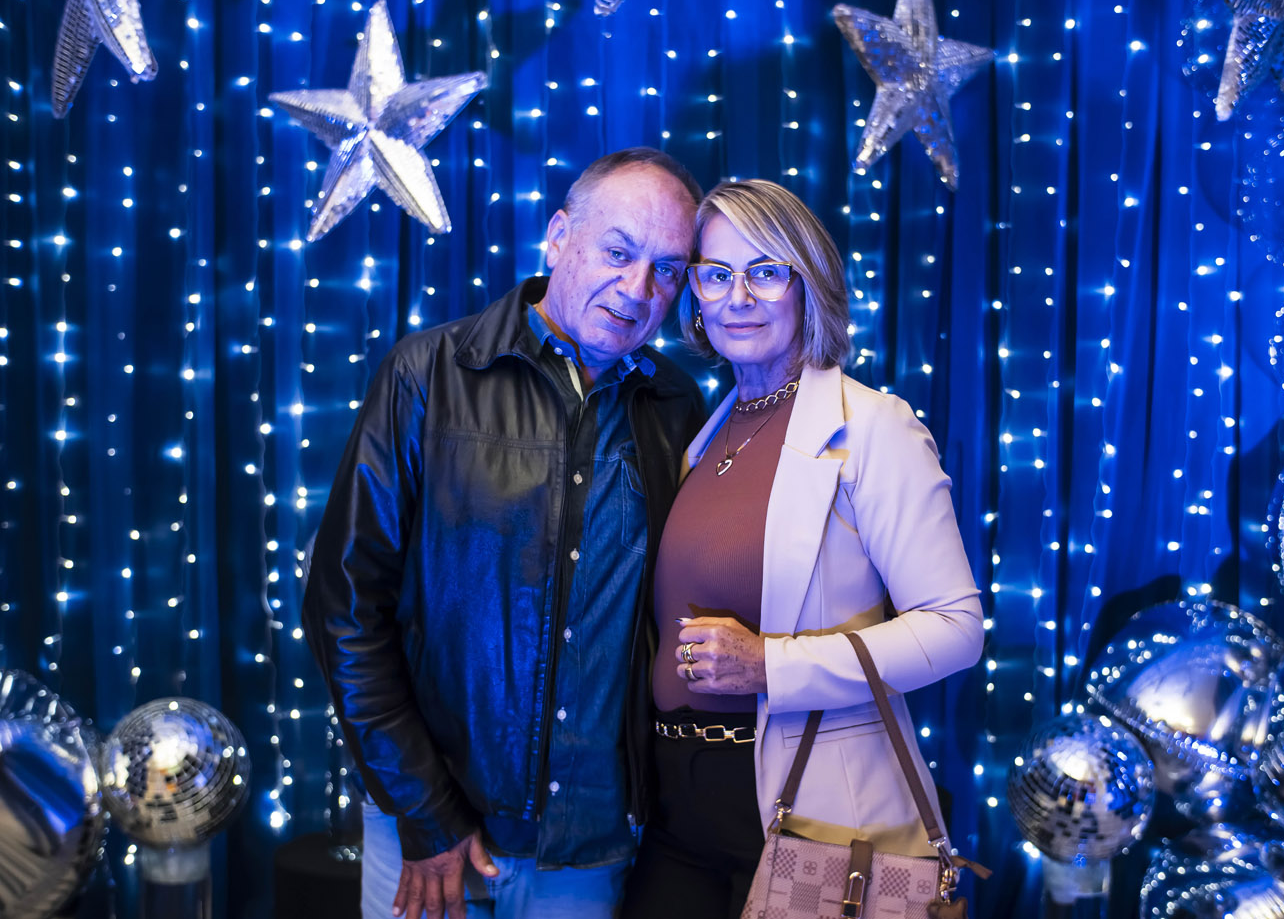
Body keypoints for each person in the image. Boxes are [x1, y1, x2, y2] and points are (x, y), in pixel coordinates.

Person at [301, 147, 709, 919]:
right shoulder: (428, 374)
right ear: (558, 237)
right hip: (434, 836)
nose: (637, 290)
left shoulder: (675, 405)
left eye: (667, 269)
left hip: (588, 849)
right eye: (617, 252)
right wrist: (424, 810)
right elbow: (344, 609)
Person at [620, 179, 984, 919]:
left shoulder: (872, 427)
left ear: (807, 283)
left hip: (807, 810)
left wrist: (769, 665)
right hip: (675, 808)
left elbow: (956, 628)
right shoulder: (704, 432)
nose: (738, 298)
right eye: (716, 274)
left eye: (765, 272)